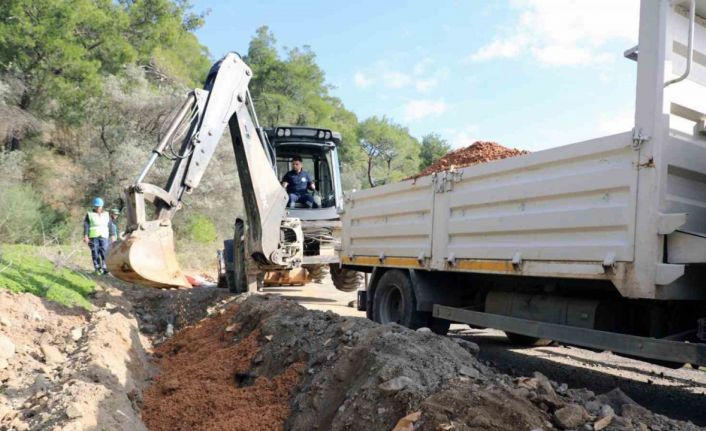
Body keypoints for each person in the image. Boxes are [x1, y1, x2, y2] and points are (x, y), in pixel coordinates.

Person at [83, 197, 110, 274]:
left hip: (104, 236)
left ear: (102, 206)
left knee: (104, 251)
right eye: (96, 206)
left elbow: (110, 225)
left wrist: (113, 235)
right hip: (93, 236)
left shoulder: (106, 214)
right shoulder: (89, 215)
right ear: (94, 206)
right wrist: (85, 236)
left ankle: (105, 267)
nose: (98, 208)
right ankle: (97, 268)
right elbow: (86, 225)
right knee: (95, 252)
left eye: (99, 206)